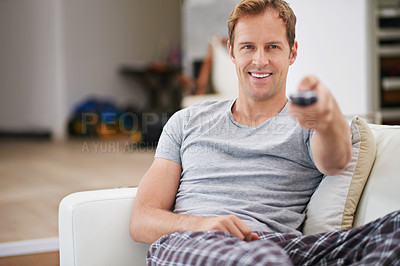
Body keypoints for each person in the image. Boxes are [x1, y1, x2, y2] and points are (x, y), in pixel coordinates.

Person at [130, 0, 400, 265]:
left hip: (283, 248)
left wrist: (327, 122)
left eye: (272, 47)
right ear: (232, 51)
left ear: (292, 53)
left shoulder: (307, 120)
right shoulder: (186, 121)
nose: (260, 61)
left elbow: (335, 161)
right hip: (194, 242)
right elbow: (142, 219)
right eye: (248, 47)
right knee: (260, 259)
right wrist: (202, 225)